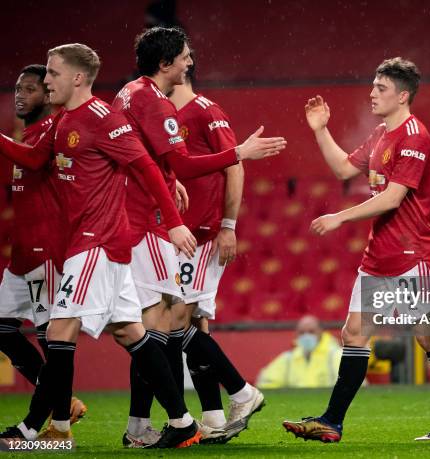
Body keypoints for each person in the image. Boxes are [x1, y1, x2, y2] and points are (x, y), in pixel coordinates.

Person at [0, 43, 202, 449]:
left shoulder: (102, 117)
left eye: (53, 74)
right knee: (131, 333)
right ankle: (182, 423)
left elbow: (145, 165)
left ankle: (53, 431)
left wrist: (176, 224)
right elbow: (37, 159)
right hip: (94, 244)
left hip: (98, 241)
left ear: (76, 78)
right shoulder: (63, 122)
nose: (47, 81)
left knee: (59, 331)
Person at [283, 58, 430, 442]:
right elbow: (343, 169)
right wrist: (321, 130)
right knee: (353, 334)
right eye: (372, 86)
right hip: (379, 257)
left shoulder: (416, 135)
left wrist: (339, 217)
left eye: (380, 88)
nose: (371, 93)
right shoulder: (382, 133)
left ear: (403, 95)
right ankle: (332, 421)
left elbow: (392, 198)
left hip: (411, 255)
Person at [115, 27, 277, 446]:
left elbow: (156, 162)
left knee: (163, 322)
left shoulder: (133, 93)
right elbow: (182, 164)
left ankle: (178, 420)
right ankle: (223, 404)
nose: (191, 62)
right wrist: (238, 152)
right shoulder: (155, 102)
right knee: (165, 323)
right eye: (185, 56)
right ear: (165, 63)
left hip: (163, 224)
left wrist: (224, 223)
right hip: (151, 224)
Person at [169, 61, 264, 442]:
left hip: (203, 233)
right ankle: (213, 417)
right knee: (193, 325)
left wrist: (228, 225)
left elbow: (235, 164)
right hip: (178, 235)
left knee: (175, 323)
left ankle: (243, 392)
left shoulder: (206, 111)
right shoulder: (165, 118)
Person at [0, 64, 86, 424]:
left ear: (47, 94)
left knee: (52, 342)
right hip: (20, 257)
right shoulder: (28, 133)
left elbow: (37, 161)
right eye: (17, 87)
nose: (20, 94)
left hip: (45, 255)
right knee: (2, 328)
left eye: (30, 88)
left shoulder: (54, 129)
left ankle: (55, 425)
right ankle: (59, 400)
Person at [257, 315, 342, 389]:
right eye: (302, 332)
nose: (306, 335)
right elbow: (266, 383)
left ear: (321, 331)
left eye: (311, 331)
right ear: (296, 334)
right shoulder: (288, 359)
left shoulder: (336, 355)